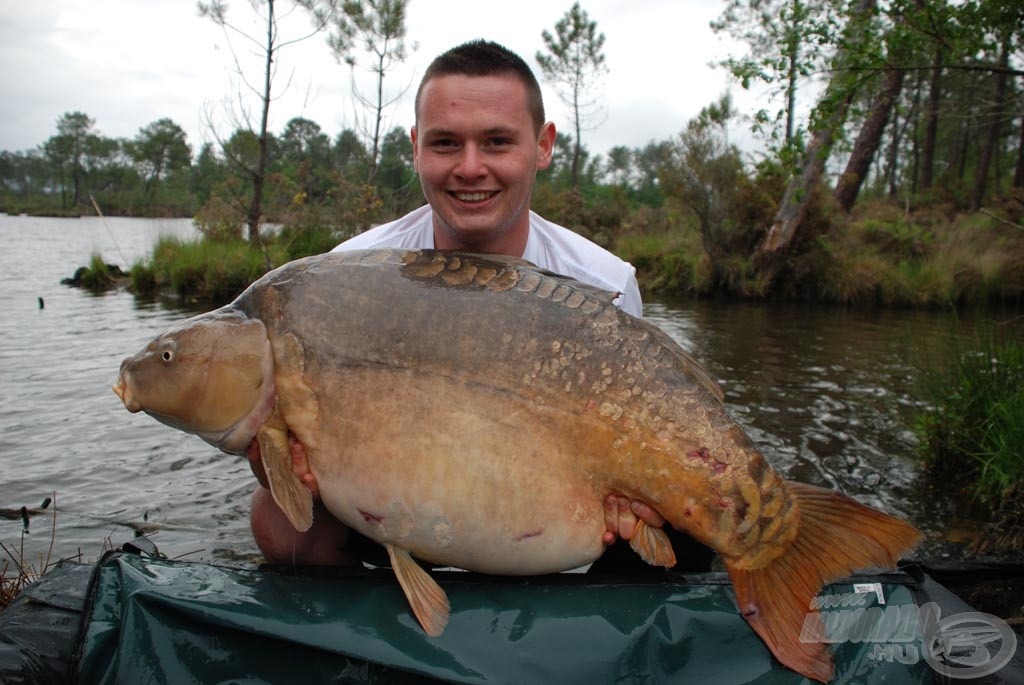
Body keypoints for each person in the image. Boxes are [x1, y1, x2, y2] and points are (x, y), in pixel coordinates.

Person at [249, 39, 711, 573]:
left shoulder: (603, 282)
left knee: (674, 529)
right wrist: (286, 462)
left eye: (496, 142)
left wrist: (630, 487)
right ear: (416, 147)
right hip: (393, 489)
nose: (470, 168)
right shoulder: (347, 273)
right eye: (446, 143)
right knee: (276, 521)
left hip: (541, 501)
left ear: (543, 146)